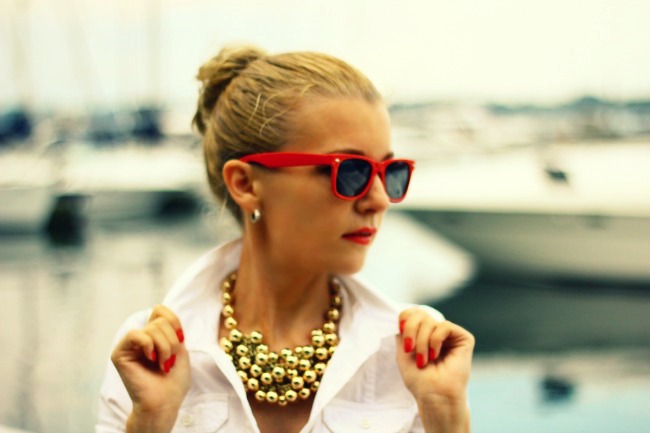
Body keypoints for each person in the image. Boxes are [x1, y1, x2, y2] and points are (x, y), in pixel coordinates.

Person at [96, 45, 475, 433]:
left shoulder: (412, 350)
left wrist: (445, 414)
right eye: (350, 171)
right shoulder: (148, 352)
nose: (379, 199)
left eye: (389, 172)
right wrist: (152, 420)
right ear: (245, 184)